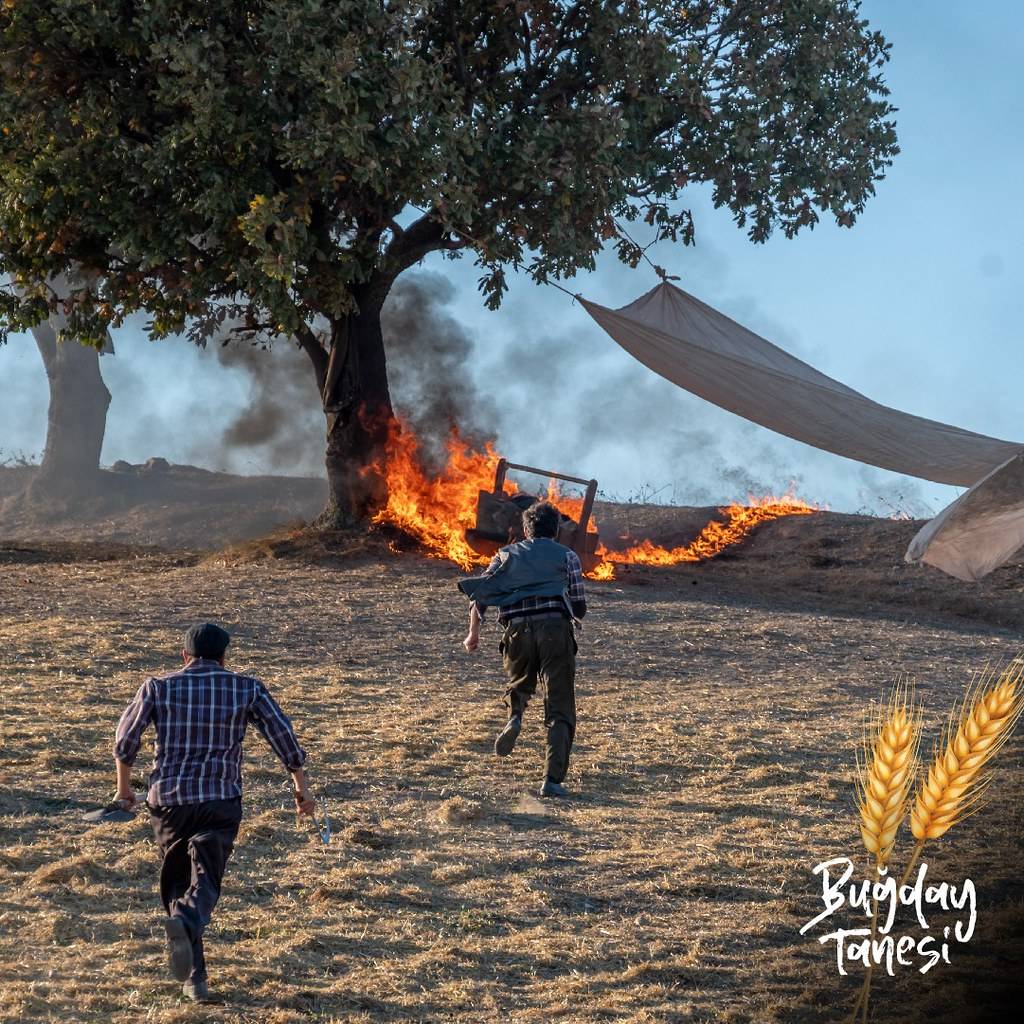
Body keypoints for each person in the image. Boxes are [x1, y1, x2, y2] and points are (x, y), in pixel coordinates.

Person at [113, 622, 314, 1003]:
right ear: (225, 657)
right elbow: (283, 735)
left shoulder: (158, 686)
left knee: (177, 883)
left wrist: (124, 788)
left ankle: (195, 979)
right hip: (220, 800)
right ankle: (188, 932)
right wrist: (301, 787)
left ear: (184, 656)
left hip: (169, 802)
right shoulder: (246, 687)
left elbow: (126, 740)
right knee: (205, 879)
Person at [459, 501, 587, 797]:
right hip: (554, 629)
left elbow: (479, 596)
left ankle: (515, 715)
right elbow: (579, 606)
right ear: (556, 530)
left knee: (520, 682)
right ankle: (552, 781)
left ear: (525, 531)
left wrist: (472, 635)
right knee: (559, 702)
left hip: (516, 631)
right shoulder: (567, 555)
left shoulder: (504, 554)